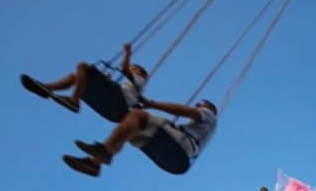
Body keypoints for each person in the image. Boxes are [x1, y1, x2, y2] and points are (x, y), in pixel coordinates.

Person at [61, 97, 217, 177]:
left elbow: (182, 110)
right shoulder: (205, 130)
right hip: (181, 153)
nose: (196, 105)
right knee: (131, 129)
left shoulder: (209, 116)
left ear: (208, 107)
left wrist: (152, 104)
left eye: (200, 103)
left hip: (182, 144)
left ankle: (102, 155)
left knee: (137, 115)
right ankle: (95, 163)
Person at [20, 43, 148, 116]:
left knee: (83, 67)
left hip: (115, 101)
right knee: (75, 77)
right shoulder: (133, 90)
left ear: (141, 73)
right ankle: (47, 88)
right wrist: (106, 81)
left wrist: (128, 52)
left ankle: (74, 101)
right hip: (111, 107)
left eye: (134, 68)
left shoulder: (140, 81)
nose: (131, 70)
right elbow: (130, 98)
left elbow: (124, 69)